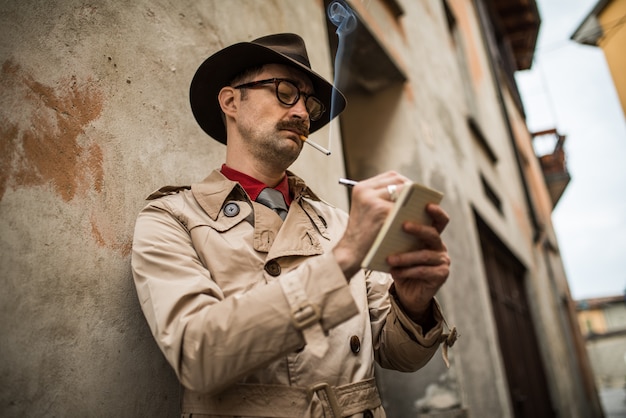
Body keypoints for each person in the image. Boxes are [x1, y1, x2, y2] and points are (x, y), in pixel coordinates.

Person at [131, 33, 455, 418]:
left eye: (309, 102)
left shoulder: (340, 224)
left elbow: (398, 356)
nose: (302, 111)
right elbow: (198, 356)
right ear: (231, 101)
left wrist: (413, 305)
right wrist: (344, 259)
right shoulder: (173, 218)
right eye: (285, 91)